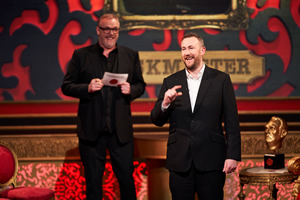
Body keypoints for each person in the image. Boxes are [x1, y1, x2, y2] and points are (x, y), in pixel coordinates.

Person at [61, 13, 146, 200]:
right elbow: (66, 86)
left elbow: (141, 85)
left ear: (118, 31)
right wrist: (87, 88)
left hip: (120, 133)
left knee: (126, 182)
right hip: (91, 132)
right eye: (106, 29)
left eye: (114, 29)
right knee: (92, 184)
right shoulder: (81, 55)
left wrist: (130, 90)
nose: (110, 33)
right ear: (98, 30)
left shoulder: (130, 55)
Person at [151, 32, 241, 200]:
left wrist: (232, 155)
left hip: (211, 160)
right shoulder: (170, 81)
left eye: (191, 48)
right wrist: (165, 103)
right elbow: (156, 119)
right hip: (180, 162)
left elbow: (232, 121)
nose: (187, 52)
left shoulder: (221, 80)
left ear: (202, 51)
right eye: (183, 49)